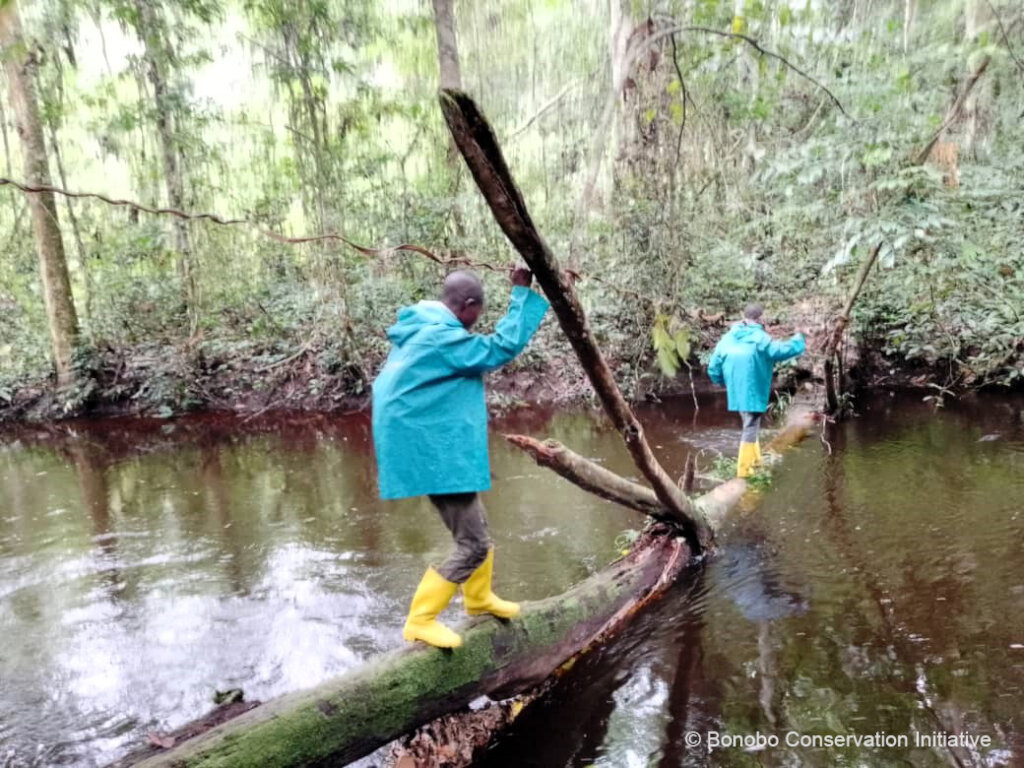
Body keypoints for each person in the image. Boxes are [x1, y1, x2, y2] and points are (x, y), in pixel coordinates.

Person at [372, 267, 549, 648]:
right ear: (468, 306)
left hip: (430, 449)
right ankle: (421, 618)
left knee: (478, 527)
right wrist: (521, 294)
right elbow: (500, 347)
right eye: (478, 313)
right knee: (474, 544)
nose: (476, 322)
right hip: (434, 454)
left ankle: (479, 598)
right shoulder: (440, 338)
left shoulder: (422, 331)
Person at [707, 304, 805, 478]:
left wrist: (723, 382)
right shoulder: (760, 337)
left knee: (749, 422)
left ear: (744, 317)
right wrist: (798, 341)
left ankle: (755, 460)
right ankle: (744, 472)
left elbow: (714, 366)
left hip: (737, 388)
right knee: (751, 425)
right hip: (752, 388)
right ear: (760, 318)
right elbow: (779, 351)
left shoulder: (728, 337)